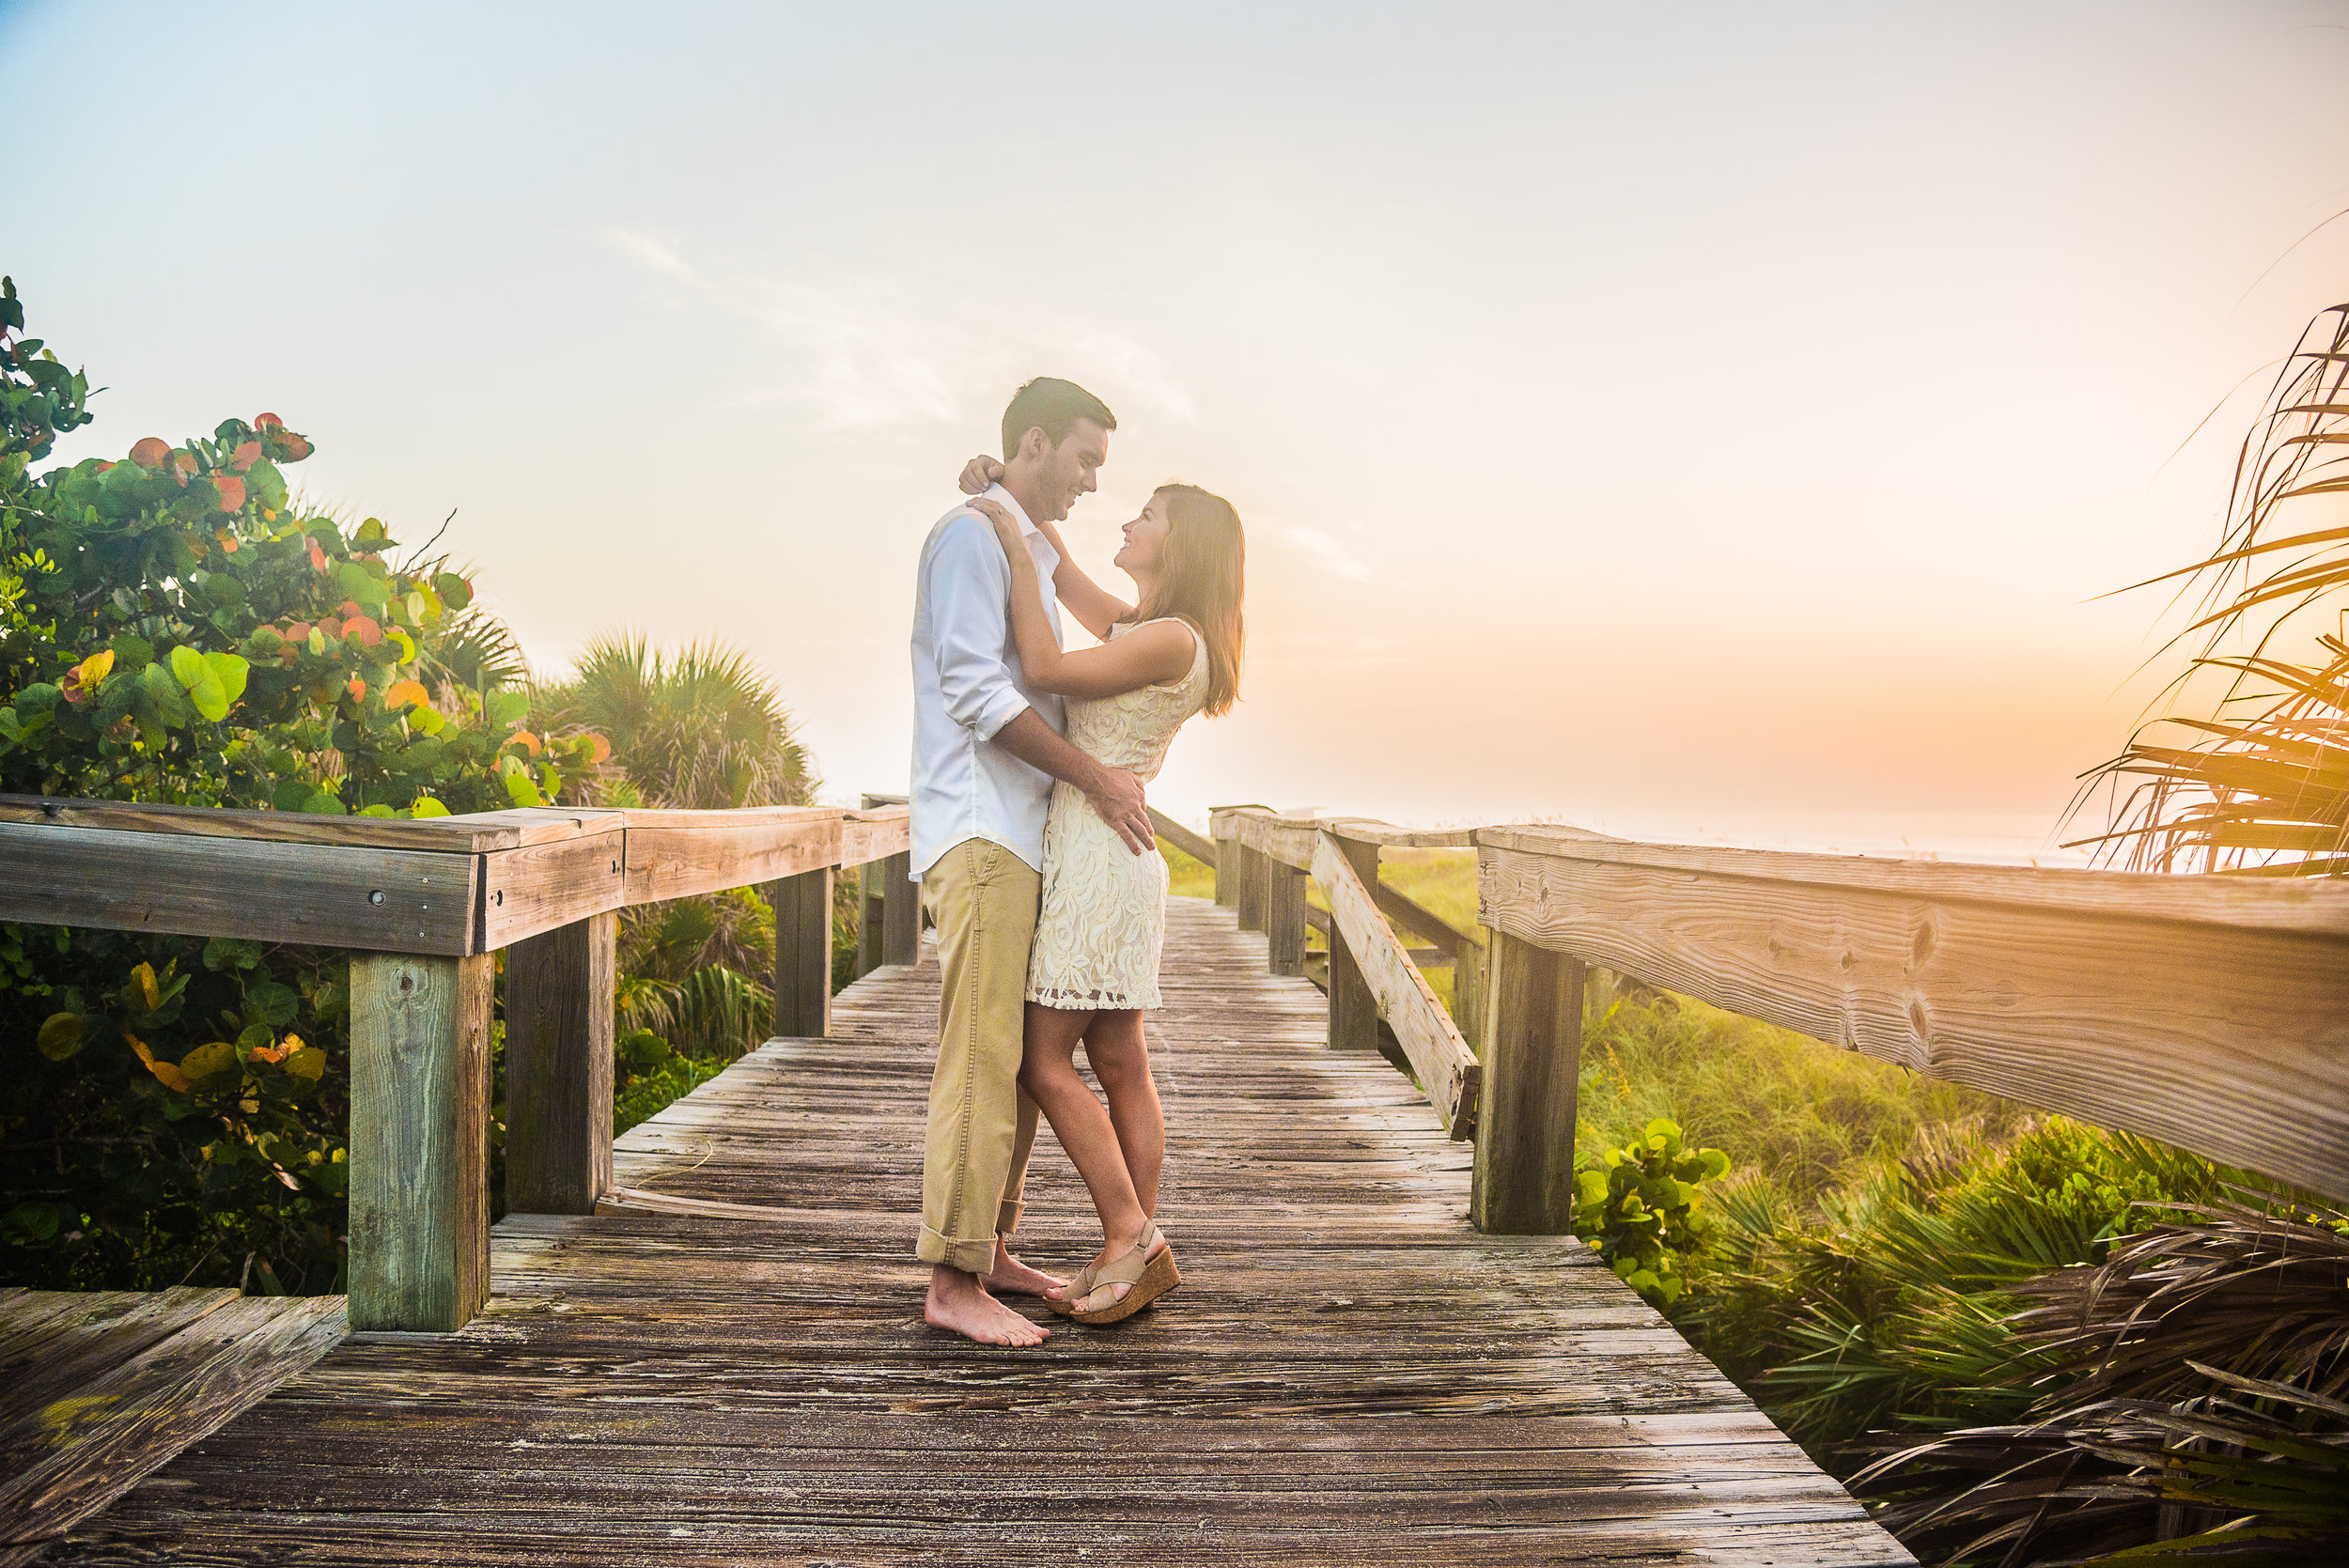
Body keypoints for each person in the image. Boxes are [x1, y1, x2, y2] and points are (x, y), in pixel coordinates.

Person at [958, 455, 1247, 1325]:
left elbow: (1042, 662)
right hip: (1115, 857)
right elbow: (1077, 584)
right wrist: (1020, 501)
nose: (1127, 523)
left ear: (1181, 545)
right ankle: (1127, 1243)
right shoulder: (1159, 627)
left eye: (1148, 516)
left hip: (1096, 856)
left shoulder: (1169, 637)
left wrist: (1006, 537)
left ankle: (1131, 1237)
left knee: (1043, 1059)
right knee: (1120, 1061)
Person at [909, 378, 1154, 1348]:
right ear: (1038, 441)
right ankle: (950, 1277)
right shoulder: (970, 536)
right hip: (983, 831)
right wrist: (1094, 777)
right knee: (980, 1053)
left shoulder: (1018, 540)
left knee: (1012, 1059)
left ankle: (991, 1246)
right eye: (1087, 458)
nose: (1094, 481)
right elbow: (972, 686)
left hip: (1024, 832)